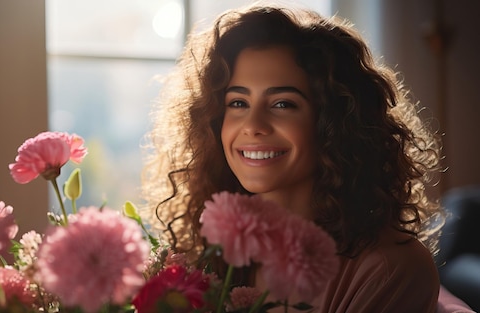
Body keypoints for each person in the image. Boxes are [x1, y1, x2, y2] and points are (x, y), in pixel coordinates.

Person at [140, 3, 448, 312]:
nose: (253, 126)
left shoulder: (389, 269)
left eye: (283, 104)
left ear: (334, 121)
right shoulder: (208, 253)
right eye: (238, 102)